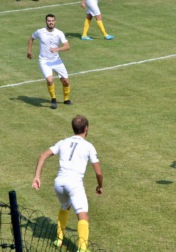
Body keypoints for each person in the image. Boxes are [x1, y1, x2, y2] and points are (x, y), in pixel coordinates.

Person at [32, 115, 103, 252]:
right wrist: (100, 186)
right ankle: (82, 249)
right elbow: (99, 173)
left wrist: (37, 176)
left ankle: (59, 239)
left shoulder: (63, 142)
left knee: (65, 205)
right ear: (86, 129)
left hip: (59, 183)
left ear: (73, 128)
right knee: (83, 215)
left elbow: (42, 156)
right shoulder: (89, 146)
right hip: (74, 184)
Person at [27, 14, 73, 109]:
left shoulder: (59, 33)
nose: (51, 22)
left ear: (55, 22)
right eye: (49, 21)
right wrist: (29, 51)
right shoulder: (40, 32)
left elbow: (67, 46)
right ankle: (53, 99)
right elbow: (31, 39)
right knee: (49, 79)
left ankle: (66, 100)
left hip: (56, 60)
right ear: (46, 22)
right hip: (44, 61)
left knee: (66, 82)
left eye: (52, 20)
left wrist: (57, 49)